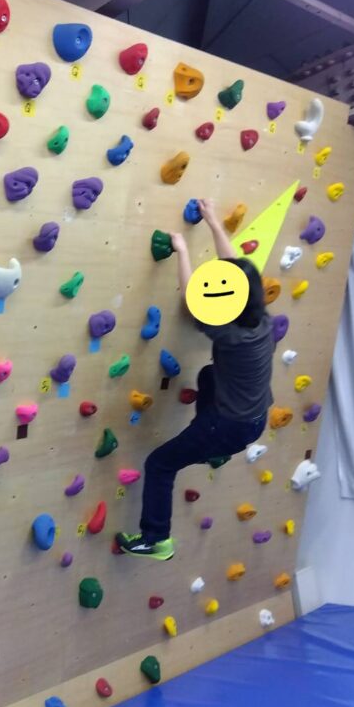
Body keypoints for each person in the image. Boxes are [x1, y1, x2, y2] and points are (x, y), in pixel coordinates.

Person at [116, 199, 274, 560]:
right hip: (253, 418)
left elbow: (192, 299)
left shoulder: (228, 333)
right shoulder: (261, 319)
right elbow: (234, 269)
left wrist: (183, 250)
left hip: (228, 426)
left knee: (160, 464)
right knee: (208, 374)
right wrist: (213, 222)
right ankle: (211, 449)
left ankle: (156, 539)